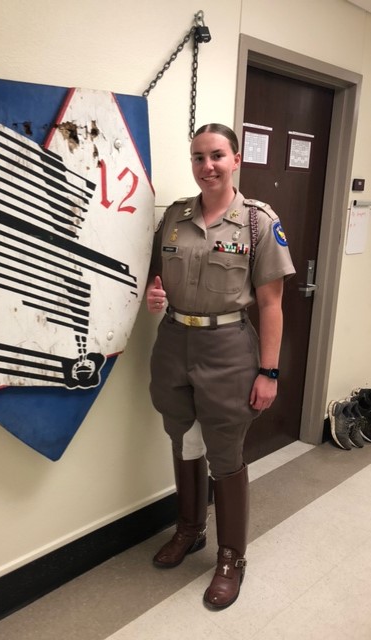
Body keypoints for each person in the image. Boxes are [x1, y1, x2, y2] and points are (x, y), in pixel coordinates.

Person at [146, 123, 295, 610]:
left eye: (216, 156)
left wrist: (268, 372)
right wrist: (153, 293)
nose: (206, 166)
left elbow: (271, 305)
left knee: (224, 449)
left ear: (235, 160)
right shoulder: (172, 218)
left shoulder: (256, 221)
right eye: (197, 157)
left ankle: (231, 557)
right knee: (182, 437)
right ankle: (190, 529)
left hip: (228, 345)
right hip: (173, 340)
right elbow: (155, 277)